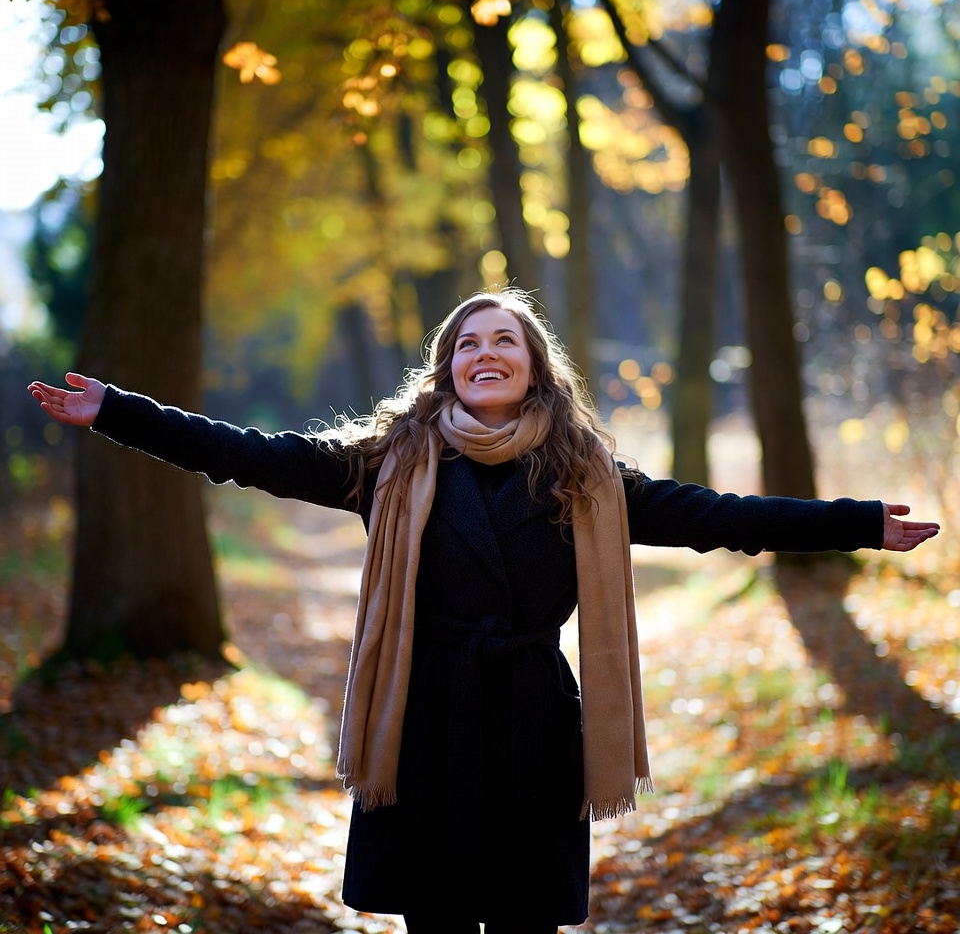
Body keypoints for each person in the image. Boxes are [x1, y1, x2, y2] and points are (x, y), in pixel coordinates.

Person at [28, 289, 939, 934]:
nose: (486, 354)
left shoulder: (588, 479)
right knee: (435, 921)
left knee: (522, 921)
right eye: (468, 344)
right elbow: (246, 454)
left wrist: (854, 522)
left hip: (535, 723)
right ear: (446, 370)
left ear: (537, 367)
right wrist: (118, 412)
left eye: (505, 341)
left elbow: (722, 520)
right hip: (423, 719)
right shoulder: (390, 464)